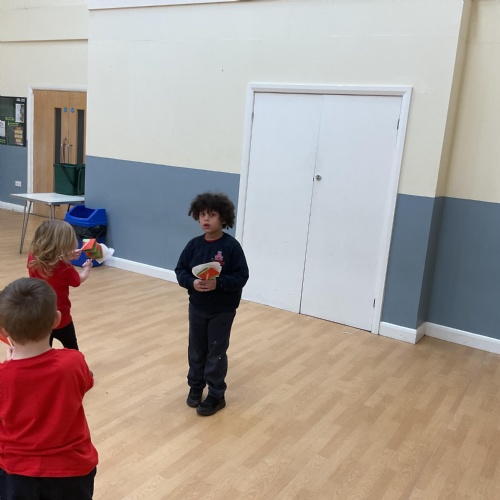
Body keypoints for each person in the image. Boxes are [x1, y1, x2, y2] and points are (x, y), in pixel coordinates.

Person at [0, 277, 98, 499]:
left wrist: (9, 366)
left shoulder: (2, 376)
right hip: (72, 470)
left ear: (3, 331)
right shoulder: (74, 362)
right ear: (57, 319)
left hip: (17, 473)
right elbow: (84, 385)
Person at [175, 192, 249, 416]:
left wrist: (219, 283)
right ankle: (196, 387)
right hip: (197, 307)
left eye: (212, 214)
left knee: (216, 351)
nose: (206, 219)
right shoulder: (193, 245)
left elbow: (242, 276)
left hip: (222, 310)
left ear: (223, 218)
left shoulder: (231, 246)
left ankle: (217, 395)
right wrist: (192, 282)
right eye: (202, 214)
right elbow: (180, 271)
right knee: (196, 349)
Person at [27, 219, 92, 350]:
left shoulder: (33, 258)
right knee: (72, 349)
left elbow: (50, 259)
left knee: (44, 352)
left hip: (41, 316)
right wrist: (87, 269)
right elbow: (78, 280)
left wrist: (66, 256)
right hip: (62, 318)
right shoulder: (65, 267)